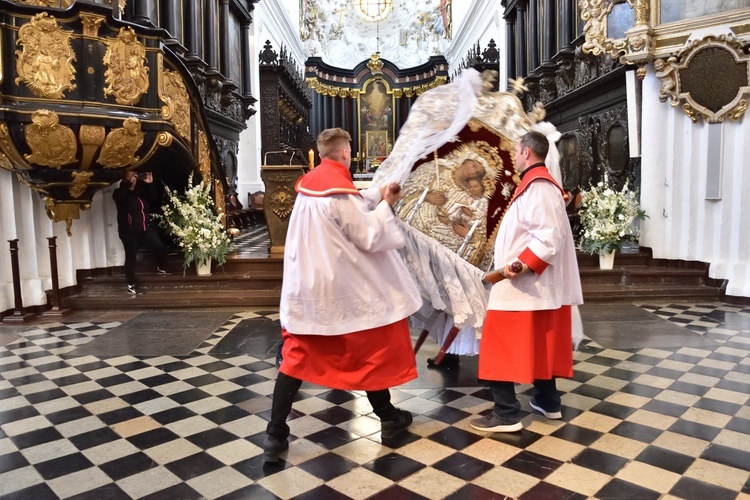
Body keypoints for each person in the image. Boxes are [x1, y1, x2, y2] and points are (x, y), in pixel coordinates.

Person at [264, 128, 423, 462]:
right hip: (341, 289)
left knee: (296, 357)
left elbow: (350, 201)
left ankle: (275, 435)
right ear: (346, 154)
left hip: (307, 289)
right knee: (370, 348)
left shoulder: (310, 187)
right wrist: (387, 205)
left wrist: (377, 193)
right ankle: (389, 418)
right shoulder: (338, 191)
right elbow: (367, 235)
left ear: (321, 154)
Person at [471, 130, 583, 433]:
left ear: (527, 153)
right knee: (540, 343)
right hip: (533, 285)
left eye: (516, 150)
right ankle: (547, 401)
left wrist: (519, 267)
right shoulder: (538, 186)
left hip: (523, 282)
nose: (514, 155)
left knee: (499, 344)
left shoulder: (539, 187)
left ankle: (506, 412)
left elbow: (548, 238)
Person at [112, 171, 168, 294]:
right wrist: (127, 184)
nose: (135, 178)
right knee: (131, 257)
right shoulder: (119, 193)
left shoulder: (139, 193)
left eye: (135, 175)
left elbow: (153, 197)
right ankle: (131, 284)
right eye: (131, 175)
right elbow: (121, 197)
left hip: (144, 228)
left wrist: (150, 184)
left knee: (159, 246)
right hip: (129, 231)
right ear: (125, 178)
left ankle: (161, 266)